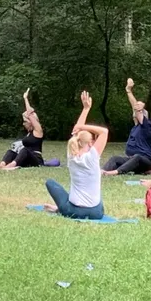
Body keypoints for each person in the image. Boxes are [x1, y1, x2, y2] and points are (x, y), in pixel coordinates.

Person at [44, 91, 109, 220]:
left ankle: (59, 208)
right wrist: (84, 120)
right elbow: (104, 132)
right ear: (90, 143)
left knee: (50, 183)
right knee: (96, 197)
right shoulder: (93, 157)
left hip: (73, 211)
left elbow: (75, 134)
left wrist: (85, 110)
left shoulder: (71, 156)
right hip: (96, 213)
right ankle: (59, 208)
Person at [102, 78, 151, 176]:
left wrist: (128, 90)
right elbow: (136, 109)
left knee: (137, 157)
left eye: (138, 112)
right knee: (115, 159)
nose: (134, 113)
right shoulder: (135, 128)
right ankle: (101, 172)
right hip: (132, 160)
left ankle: (115, 172)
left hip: (145, 162)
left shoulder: (147, 126)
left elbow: (136, 108)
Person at [0, 88, 44, 169]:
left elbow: (30, 114)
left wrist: (25, 98)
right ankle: (2, 164)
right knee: (11, 152)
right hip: (25, 158)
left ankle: (10, 166)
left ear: (30, 122)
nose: (23, 124)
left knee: (25, 150)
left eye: (25, 121)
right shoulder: (29, 133)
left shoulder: (38, 131)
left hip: (36, 160)